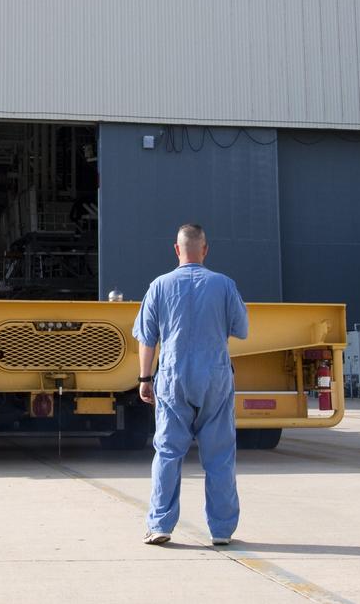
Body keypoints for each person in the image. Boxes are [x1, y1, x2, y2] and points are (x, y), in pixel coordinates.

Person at [133, 223, 248, 547]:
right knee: (220, 455)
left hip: (173, 376)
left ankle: (160, 525)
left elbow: (147, 338)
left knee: (168, 452)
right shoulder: (224, 285)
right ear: (205, 249)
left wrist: (144, 378)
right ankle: (222, 530)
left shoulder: (159, 286)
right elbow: (241, 329)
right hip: (214, 376)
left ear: (176, 249)